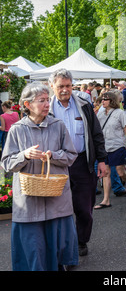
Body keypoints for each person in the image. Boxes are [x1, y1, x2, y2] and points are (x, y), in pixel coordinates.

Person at [1, 82, 78, 271]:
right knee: (33, 250)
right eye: (41, 101)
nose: (46, 104)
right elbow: (6, 163)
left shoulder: (58, 126)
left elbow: (71, 155)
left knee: (58, 250)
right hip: (29, 201)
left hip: (56, 198)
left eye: (47, 100)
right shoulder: (17, 129)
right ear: (27, 105)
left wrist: (54, 155)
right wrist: (24, 155)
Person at [49, 68, 107, 257]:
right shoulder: (45, 108)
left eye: (68, 85)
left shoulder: (83, 105)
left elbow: (96, 134)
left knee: (84, 207)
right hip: (56, 164)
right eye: (61, 86)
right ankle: (61, 243)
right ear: (52, 87)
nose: (65, 89)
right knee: (57, 207)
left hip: (82, 162)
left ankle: (81, 241)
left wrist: (102, 160)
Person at [95, 91, 126, 208]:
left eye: (105, 99)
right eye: (102, 99)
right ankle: (106, 200)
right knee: (106, 173)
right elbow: (96, 127)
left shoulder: (120, 113)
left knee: (121, 172)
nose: (102, 101)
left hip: (117, 146)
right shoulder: (101, 113)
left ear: (112, 101)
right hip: (104, 147)